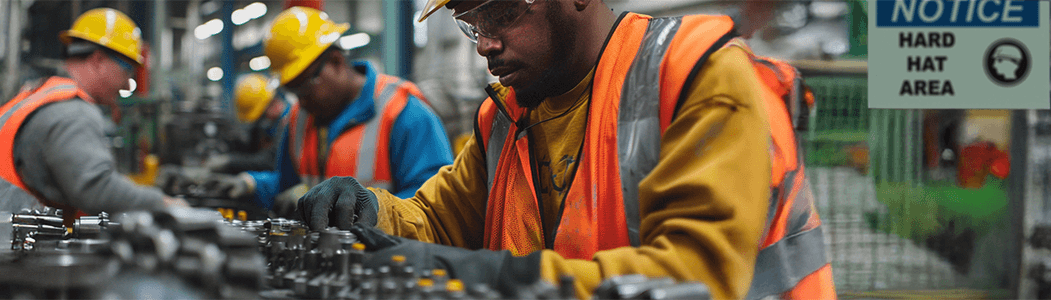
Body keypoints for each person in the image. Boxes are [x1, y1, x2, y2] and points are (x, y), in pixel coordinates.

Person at [289, 0, 836, 299]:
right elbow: (439, 220)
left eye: (501, 13)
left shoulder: (695, 75)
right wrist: (370, 211)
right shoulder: (507, 114)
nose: (484, 42)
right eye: (471, 20)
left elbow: (694, 279)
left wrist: (489, 278)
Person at [0, 8, 180, 243]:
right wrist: (163, 204)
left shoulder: (44, 95)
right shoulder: (72, 112)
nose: (125, 83)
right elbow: (95, 188)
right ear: (98, 61)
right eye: (126, 71)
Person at [199, 7, 453, 210]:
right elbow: (289, 183)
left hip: (386, 261)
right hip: (319, 261)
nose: (301, 99)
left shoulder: (403, 113)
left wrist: (367, 209)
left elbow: (433, 204)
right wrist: (251, 184)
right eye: (292, 90)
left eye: (305, 85)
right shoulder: (298, 119)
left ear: (336, 61)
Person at [208, 73, 293, 174]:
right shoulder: (271, 126)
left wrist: (231, 161)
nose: (261, 122)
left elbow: (270, 161)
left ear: (272, 104)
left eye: (261, 116)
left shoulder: (289, 122)